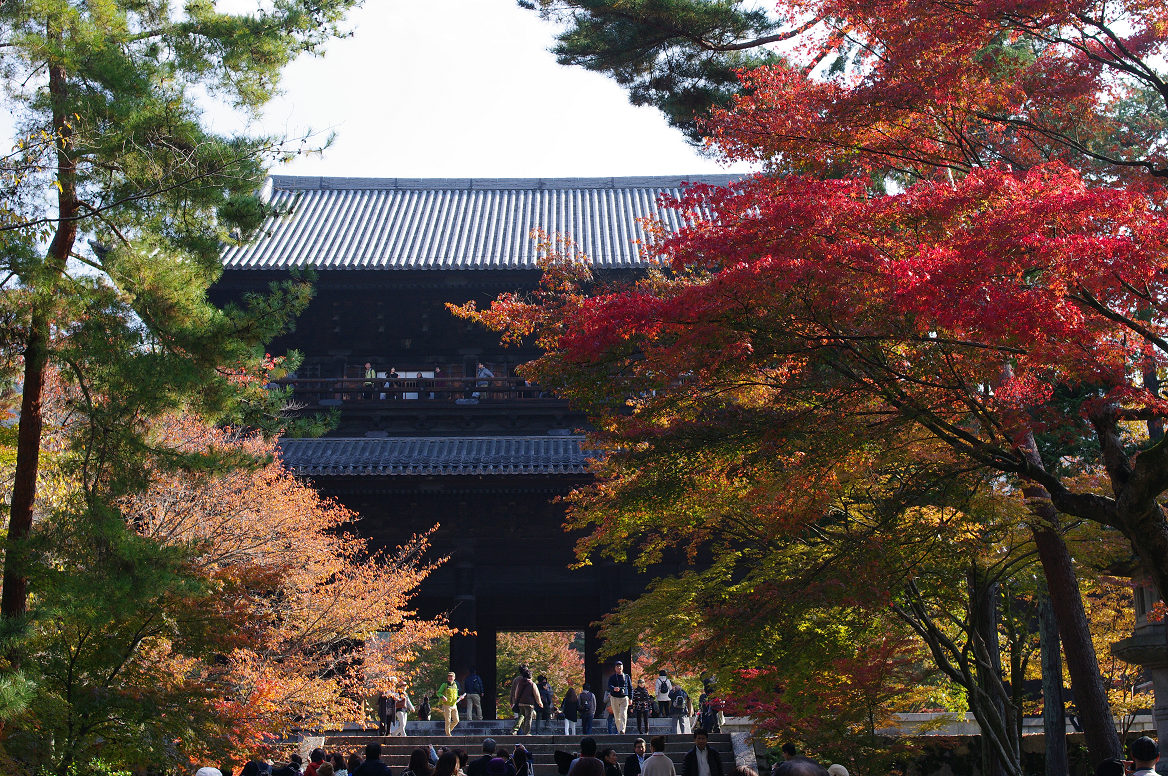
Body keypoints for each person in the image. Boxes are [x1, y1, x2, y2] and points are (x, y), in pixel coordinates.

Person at [510, 665, 543, 734]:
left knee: (521, 716)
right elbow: (536, 694)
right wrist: (539, 702)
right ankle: (526, 732)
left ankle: (516, 730)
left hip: (520, 702)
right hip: (529, 703)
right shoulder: (531, 683)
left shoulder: (518, 681)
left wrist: (514, 701)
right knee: (528, 718)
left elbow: (514, 692)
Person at [436, 671, 466, 736]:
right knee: (448, 721)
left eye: (451, 676)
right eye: (449, 676)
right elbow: (438, 693)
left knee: (456, 720)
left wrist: (460, 697)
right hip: (447, 705)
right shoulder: (445, 684)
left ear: (454, 677)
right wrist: (442, 696)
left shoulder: (455, 685)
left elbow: (456, 695)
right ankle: (448, 735)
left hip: (454, 705)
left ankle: (448, 730)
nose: (450, 678)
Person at [607, 661, 632, 733]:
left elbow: (630, 688)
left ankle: (622, 729)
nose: (619, 667)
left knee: (623, 714)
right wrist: (614, 688)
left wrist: (630, 698)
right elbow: (609, 685)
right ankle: (619, 730)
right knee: (617, 716)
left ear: (622, 667)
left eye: (620, 666)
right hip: (615, 698)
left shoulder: (626, 676)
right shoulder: (612, 677)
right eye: (617, 666)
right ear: (615, 668)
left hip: (624, 698)